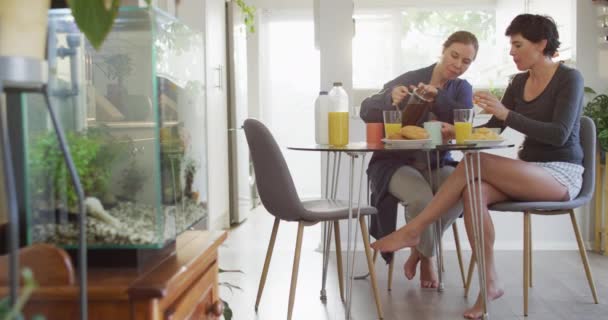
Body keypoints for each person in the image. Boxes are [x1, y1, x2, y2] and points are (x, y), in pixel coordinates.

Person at [370, 14, 584, 319]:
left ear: (541, 44)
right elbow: (494, 127)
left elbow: (559, 133)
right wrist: (454, 131)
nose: (512, 51)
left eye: (517, 44)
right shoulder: (518, 82)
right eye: (511, 44)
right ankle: (489, 285)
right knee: (473, 190)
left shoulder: (569, 78)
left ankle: (413, 230)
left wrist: (506, 112)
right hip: (530, 171)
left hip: (561, 173)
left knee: (474, 162)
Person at [360, 31, 478, 288]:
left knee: (464, 192)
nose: (458, 65)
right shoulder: (410, 79)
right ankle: (428, 260)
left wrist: (438, 96)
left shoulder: (461, 89)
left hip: (437, 163)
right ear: (443, 50)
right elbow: (366, 109)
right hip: (394, 164)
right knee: (422, 199)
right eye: (454, 55)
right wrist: (389, 97)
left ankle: (419, 251)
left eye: (466, 61)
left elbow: (463, 120)